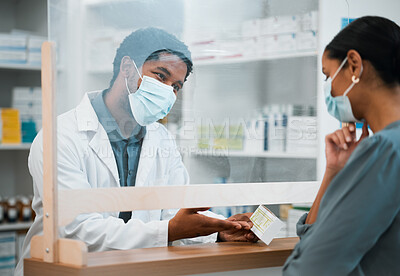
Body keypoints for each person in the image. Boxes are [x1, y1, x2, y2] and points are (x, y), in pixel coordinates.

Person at [15, 28, 256, 275]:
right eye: (161, 76)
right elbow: (77, 230)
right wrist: (170, 230)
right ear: (128, 68)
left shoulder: (161, 139)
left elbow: (175, 212)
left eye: (176, 86)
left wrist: (218, 230)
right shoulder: (61, 136)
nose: (168, 92)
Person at [283, 16, 400, 275]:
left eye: (328, 76)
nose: (330, 90)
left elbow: (312, 267)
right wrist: (335, 172)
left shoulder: (384, 151)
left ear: (355, 66)